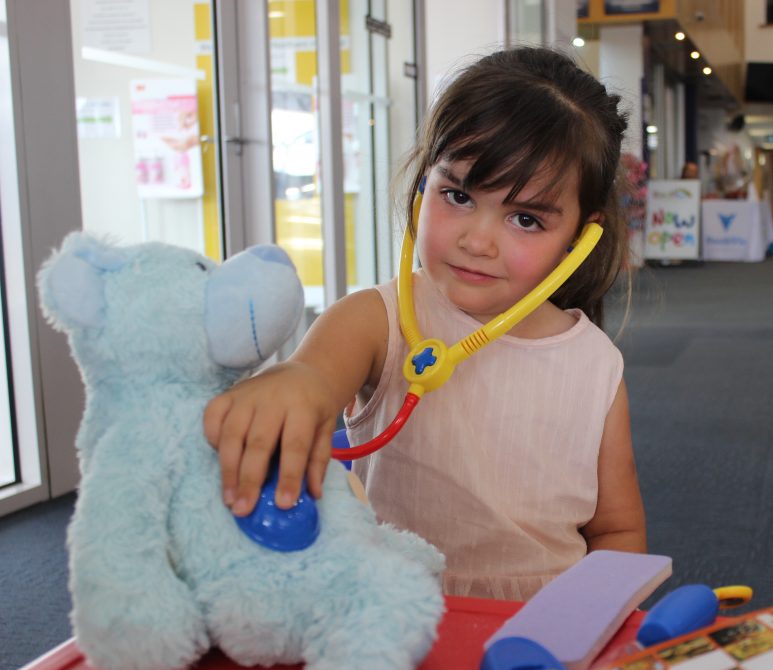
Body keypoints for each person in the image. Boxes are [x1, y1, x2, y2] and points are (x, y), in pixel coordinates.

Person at [204, 47, 647, 602]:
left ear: (581, 237)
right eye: (458, 195)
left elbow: (615, 530)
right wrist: (291, 388)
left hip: (544, 622)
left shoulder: (594, 364)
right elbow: (314, 377)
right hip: (396, 609)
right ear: (421, 191)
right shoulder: (378, 319)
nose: (477, 241)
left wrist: (589, 619)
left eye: (526, 218)